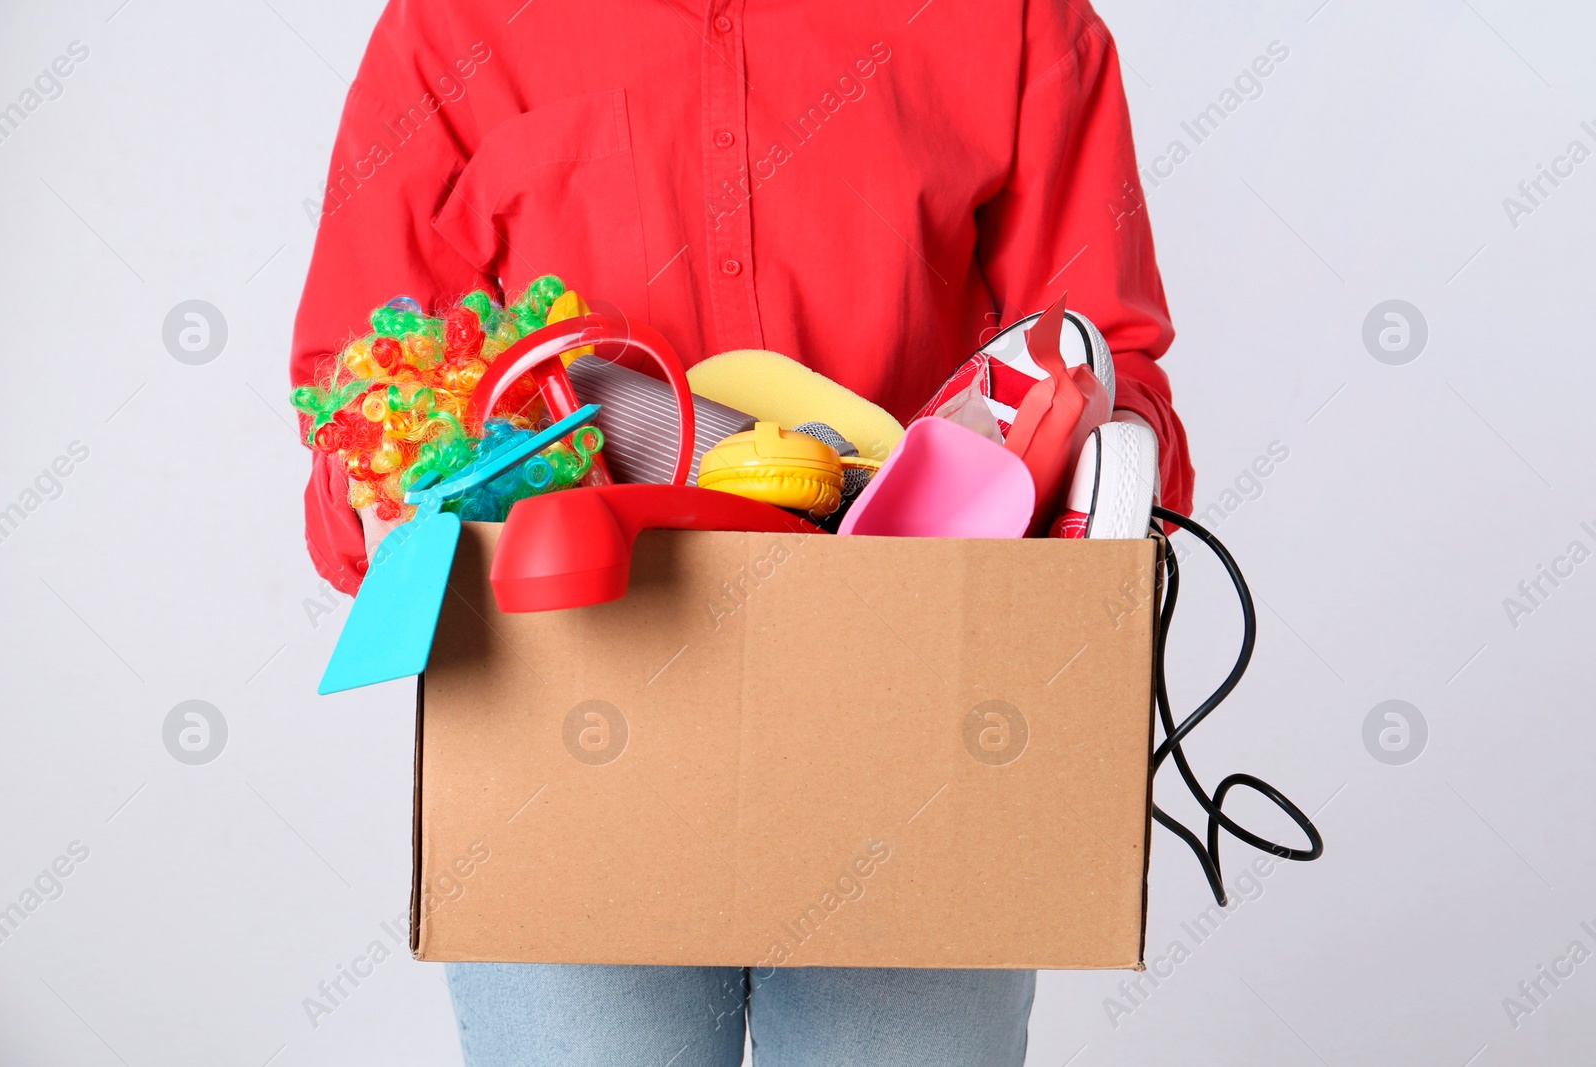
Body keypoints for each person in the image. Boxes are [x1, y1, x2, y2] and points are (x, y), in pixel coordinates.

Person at [291, 1, 1192, 1063]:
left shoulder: (1019, 24)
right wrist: (391, 489)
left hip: (912, 724)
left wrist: (1096, 433)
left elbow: (1108, 361)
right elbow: (358, 394)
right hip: (572, 723)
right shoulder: (456, 23)